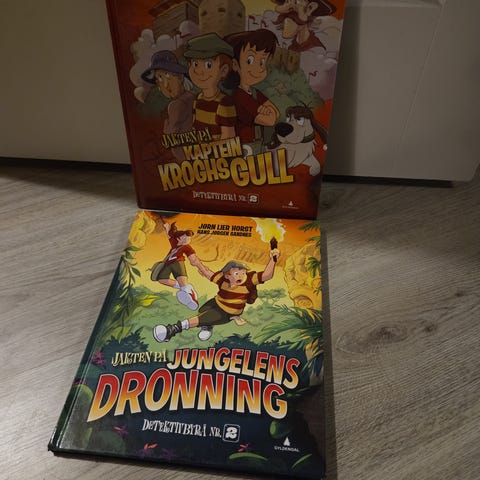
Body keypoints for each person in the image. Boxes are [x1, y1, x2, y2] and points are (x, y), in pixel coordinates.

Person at [153, 247, 280, 342]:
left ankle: (172, 330)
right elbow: (208, 273)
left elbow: (267, 275)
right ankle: (207, 326)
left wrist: (273, 260)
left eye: (243, 273)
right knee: (202, 310)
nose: (241, 276)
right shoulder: (222, 280)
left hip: (227, 312)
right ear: (227, 275)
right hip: (216, 302)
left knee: (200, 319)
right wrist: (197, 263)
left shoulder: (249, 280)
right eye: (237, 273)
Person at [224, 29, 280, 153]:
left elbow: (276, 113)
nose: (258, 68)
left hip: (257, 144)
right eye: (250, 60)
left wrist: (266, 110)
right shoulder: (239, 96)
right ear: (235, 65)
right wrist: (264, 110)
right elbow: (269, 120)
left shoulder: (254, 92)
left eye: (262, 62)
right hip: (245, 147)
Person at [141, 50, 195, 161]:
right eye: (160, 78)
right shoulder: (193, 96)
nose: (165, 85)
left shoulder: (176, 105)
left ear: (180, 77)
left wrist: (166, 125)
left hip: (187, 160)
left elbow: (169, 139)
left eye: (168, 75)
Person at [183, 33, 237, 140]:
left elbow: (228, 138)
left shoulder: (224, 103)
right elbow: (194, 128)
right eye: (195, 64)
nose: (199, 71)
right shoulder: (198, 99)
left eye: (208, 65)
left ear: (224, 70)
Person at [150, 222, 200, 310]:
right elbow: (170, 236)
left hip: (178, 263)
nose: (187, 240)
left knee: (183, 283)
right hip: (168, 264)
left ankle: (191, 298)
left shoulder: (187, 247)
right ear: (178, 238)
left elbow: (191, 256)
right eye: (184, 237)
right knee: (161, 279)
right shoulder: (174, 243)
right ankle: (186, 288)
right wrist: (167, 227)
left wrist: (194, 261)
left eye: (188, 238)